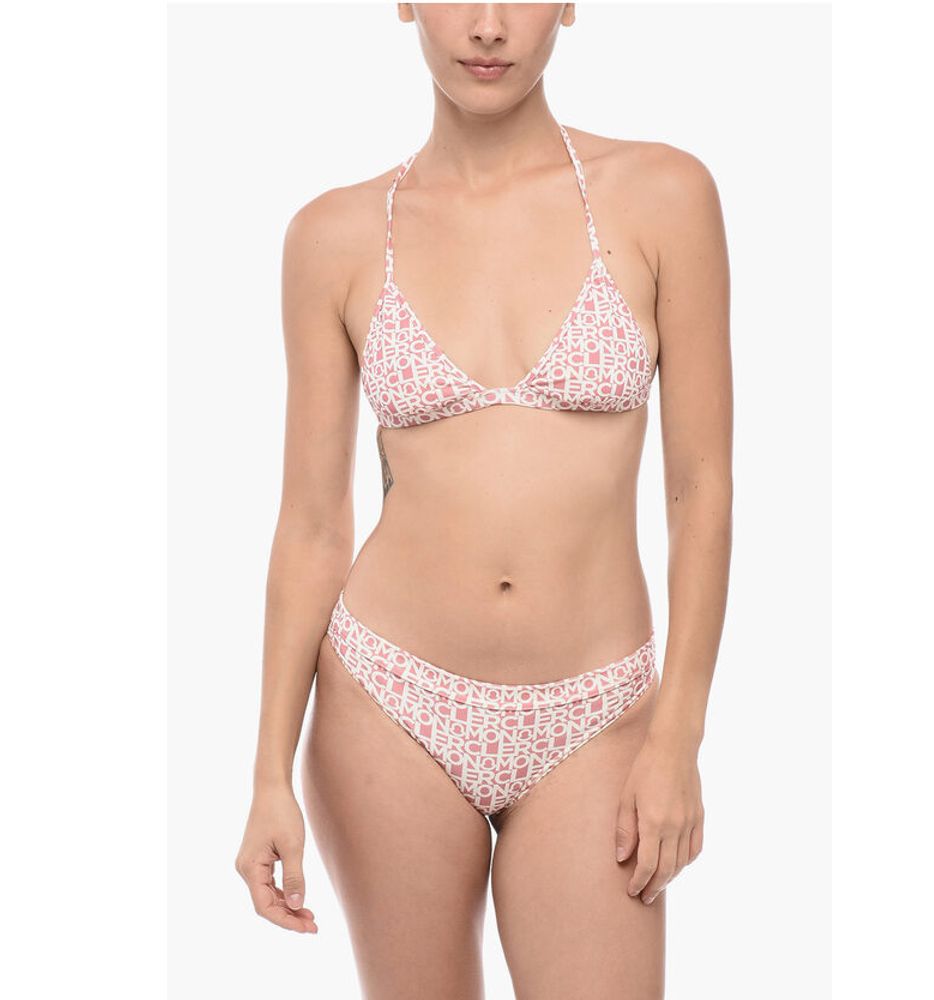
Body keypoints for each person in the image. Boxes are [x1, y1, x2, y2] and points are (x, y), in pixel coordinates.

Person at [236, 4, 732, 997]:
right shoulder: (333, 235)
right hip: (389, 702)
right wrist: (267, 775)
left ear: (570, 4)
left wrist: (678, 734)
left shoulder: (662, 196)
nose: (490, 26)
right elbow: (313, 524)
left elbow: (700, 487)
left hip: (598, 713)